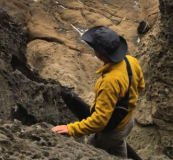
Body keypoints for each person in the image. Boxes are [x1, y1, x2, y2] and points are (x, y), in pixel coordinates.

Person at [51, 26, 145, 158]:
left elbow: (99, 122)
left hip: (113, 130)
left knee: (90, 151)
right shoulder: (131, 61)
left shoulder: (110, 81)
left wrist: (72, 129)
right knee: (118, 143)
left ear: (99, 54)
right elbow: (141, 86)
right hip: (127, 121)